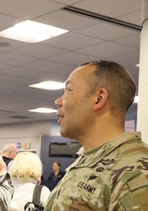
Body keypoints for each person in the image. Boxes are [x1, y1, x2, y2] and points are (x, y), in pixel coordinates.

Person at [45, 60, 148, 210]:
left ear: (99, 98)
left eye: (68, 90)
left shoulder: (136, 171)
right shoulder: (85, 161)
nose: (58, 101)